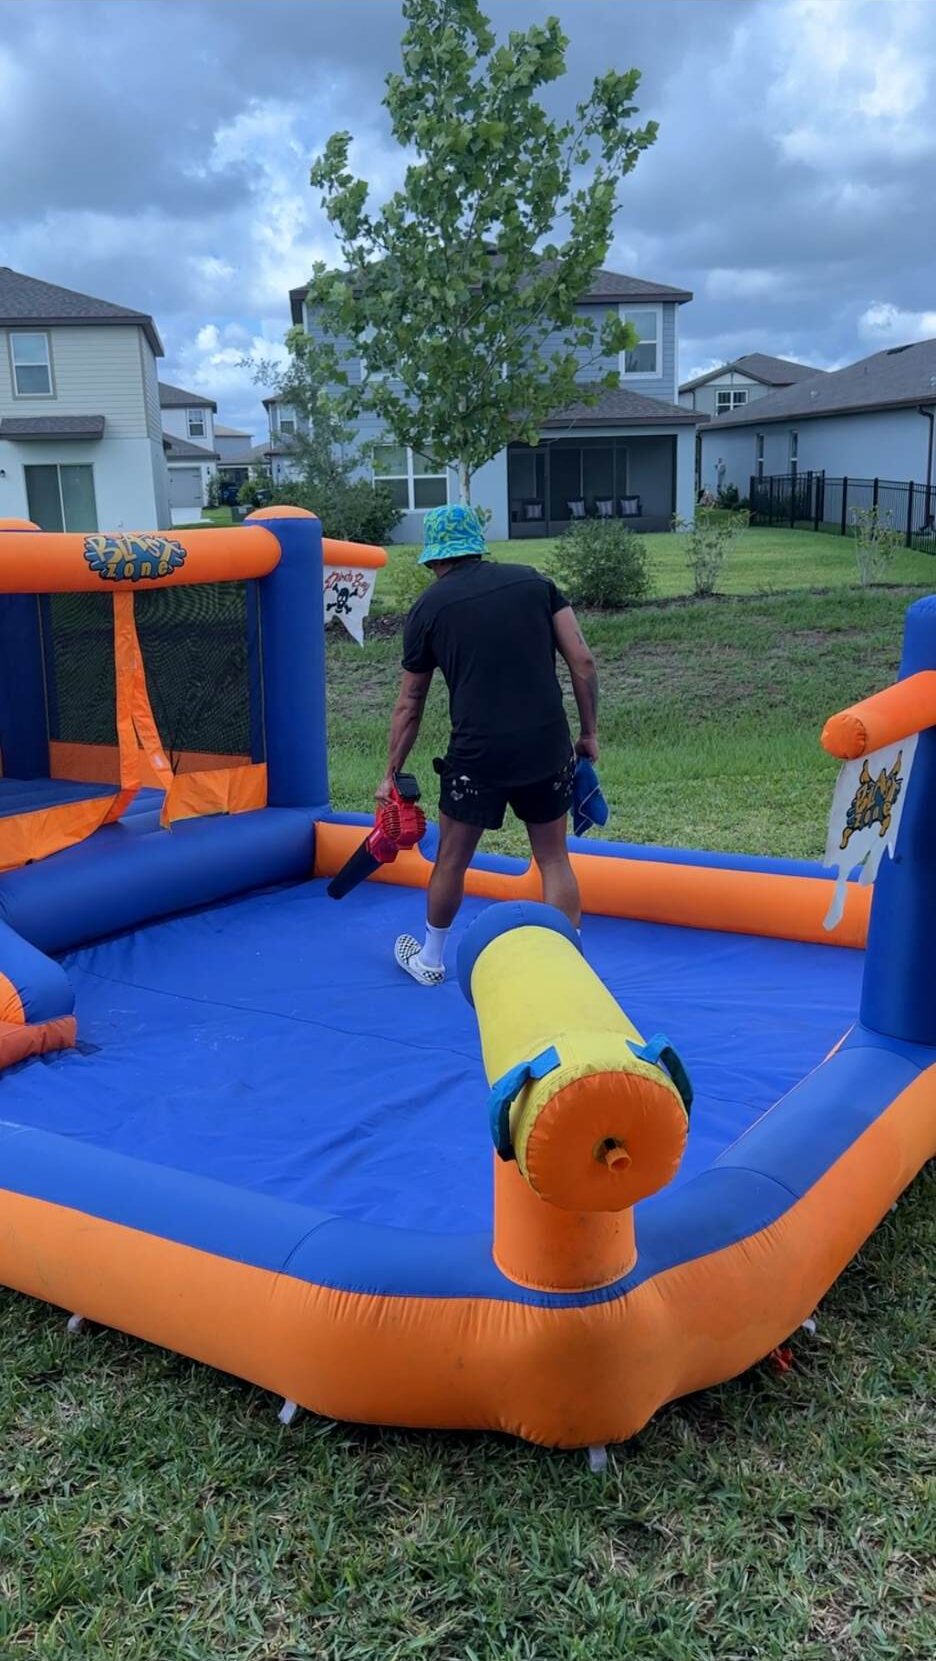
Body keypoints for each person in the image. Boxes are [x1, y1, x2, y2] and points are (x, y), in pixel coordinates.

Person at [376, 503, 599, 987]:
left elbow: (410, 702)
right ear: (477, 545)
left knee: (452, 859)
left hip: (477, 756)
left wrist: (390, 773)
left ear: (435, 559)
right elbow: (582, 662)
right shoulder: (535, 584)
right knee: (554, 858)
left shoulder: (429, 608)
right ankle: (573, 966)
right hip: (545, 745)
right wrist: (588, 734)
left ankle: (432, 961)